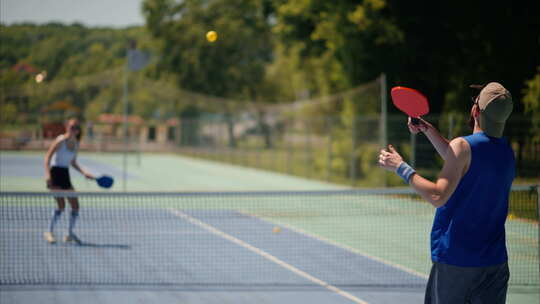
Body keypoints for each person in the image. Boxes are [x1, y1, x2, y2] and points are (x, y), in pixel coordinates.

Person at [378, 82, 514, 304]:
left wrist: (401, 167)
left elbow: (437, 196)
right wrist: (428, 129)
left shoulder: (463, 147)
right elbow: (462, 161)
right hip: (495, 263)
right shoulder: (506, 152)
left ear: (475, 111)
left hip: (456, 261)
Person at [44, 118, 95, 245]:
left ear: (78, 131)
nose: (73, 130)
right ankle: (49, 232)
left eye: (76, 128)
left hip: (65, 174)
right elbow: (47, 158)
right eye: (71, 127)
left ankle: (69, 233)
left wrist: (84, 172)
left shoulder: (76, 144)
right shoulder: (60, 140)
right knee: (61, 205)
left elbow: (73, 162)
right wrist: (48, 175)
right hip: (55, 173)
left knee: (75, 205)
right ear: (67, 127)